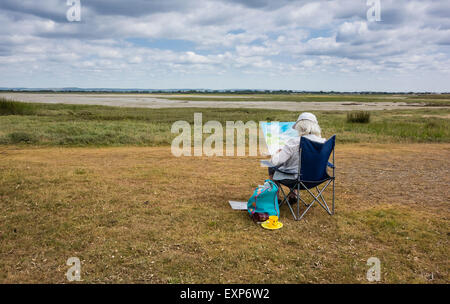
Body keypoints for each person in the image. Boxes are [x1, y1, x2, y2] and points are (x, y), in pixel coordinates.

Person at [268, 112, 326, 203]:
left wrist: (276, 154)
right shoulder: (323, 142)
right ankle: (293, 195)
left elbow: (276, 161)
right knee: (294, 164)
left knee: (272, 166)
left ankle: (275, 197)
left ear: (300, 126)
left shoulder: (294, 142)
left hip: (295, 179)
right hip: (317, 178)